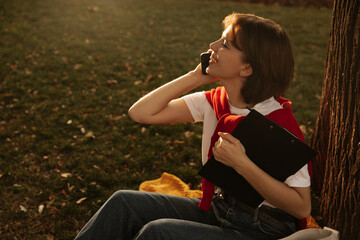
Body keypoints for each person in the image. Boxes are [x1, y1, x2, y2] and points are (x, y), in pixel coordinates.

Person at [74, 13, 311, 240]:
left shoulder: (277, 123)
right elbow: (140, 113)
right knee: (123, 203)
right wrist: (195, 77)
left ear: (247, 68)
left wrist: (242, 164)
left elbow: (301, 207)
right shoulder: (214, 102)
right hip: (220, 207)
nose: (213, 45)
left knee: (158, 233)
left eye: (225, 44)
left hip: (262, 229)